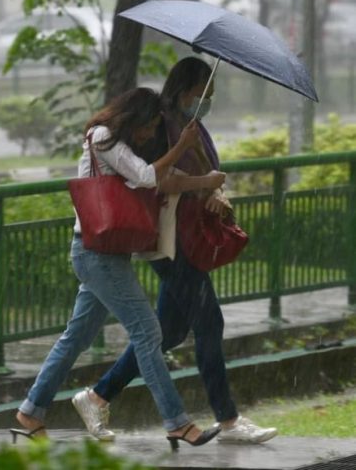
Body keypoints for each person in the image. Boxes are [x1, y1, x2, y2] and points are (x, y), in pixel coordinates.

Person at [72, 57, 278, 444]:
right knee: (210, 323)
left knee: (168, 331)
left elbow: (208, 175)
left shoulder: (192, 126)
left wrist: (215, 192)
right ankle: (229, 420)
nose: (207, 102)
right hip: (171, 242)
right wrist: (203, 182)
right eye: (203, 95)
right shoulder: (161, 126)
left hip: (189, 237)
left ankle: (97, 395)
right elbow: (157, 180)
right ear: (185, 90)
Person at [12, 87, 227, 448]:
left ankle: (30, 412)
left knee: (76, 338)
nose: (147, 135)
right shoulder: (102, 137)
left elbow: (151, 175)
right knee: (148, 332)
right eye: (146, 128)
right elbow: (145, 176)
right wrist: (181, 145)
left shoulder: (118, 142)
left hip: (106, 254)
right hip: (95, 255)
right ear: (133, 118)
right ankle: (176, 421)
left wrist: (196, 158)